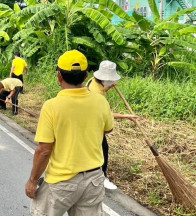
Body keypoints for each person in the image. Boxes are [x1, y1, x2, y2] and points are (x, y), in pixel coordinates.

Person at [25, 50, 114, 216]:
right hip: (93, 180)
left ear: (59, 76)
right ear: (86, 75)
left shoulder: (52, 106)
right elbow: (108, 128)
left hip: (61, 182)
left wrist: (33, 181)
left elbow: (44, 151)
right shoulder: (101, 101)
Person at [87, 60, 137, 190]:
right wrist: (127, 117)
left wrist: (109, 87)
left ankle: (95, 173)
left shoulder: (94, 81)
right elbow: (108, 114)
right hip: (94, 124)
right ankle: (101, 176)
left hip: (91, 120)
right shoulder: (96, 94)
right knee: (103, 148)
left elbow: (102, 91)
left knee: (99, 148)